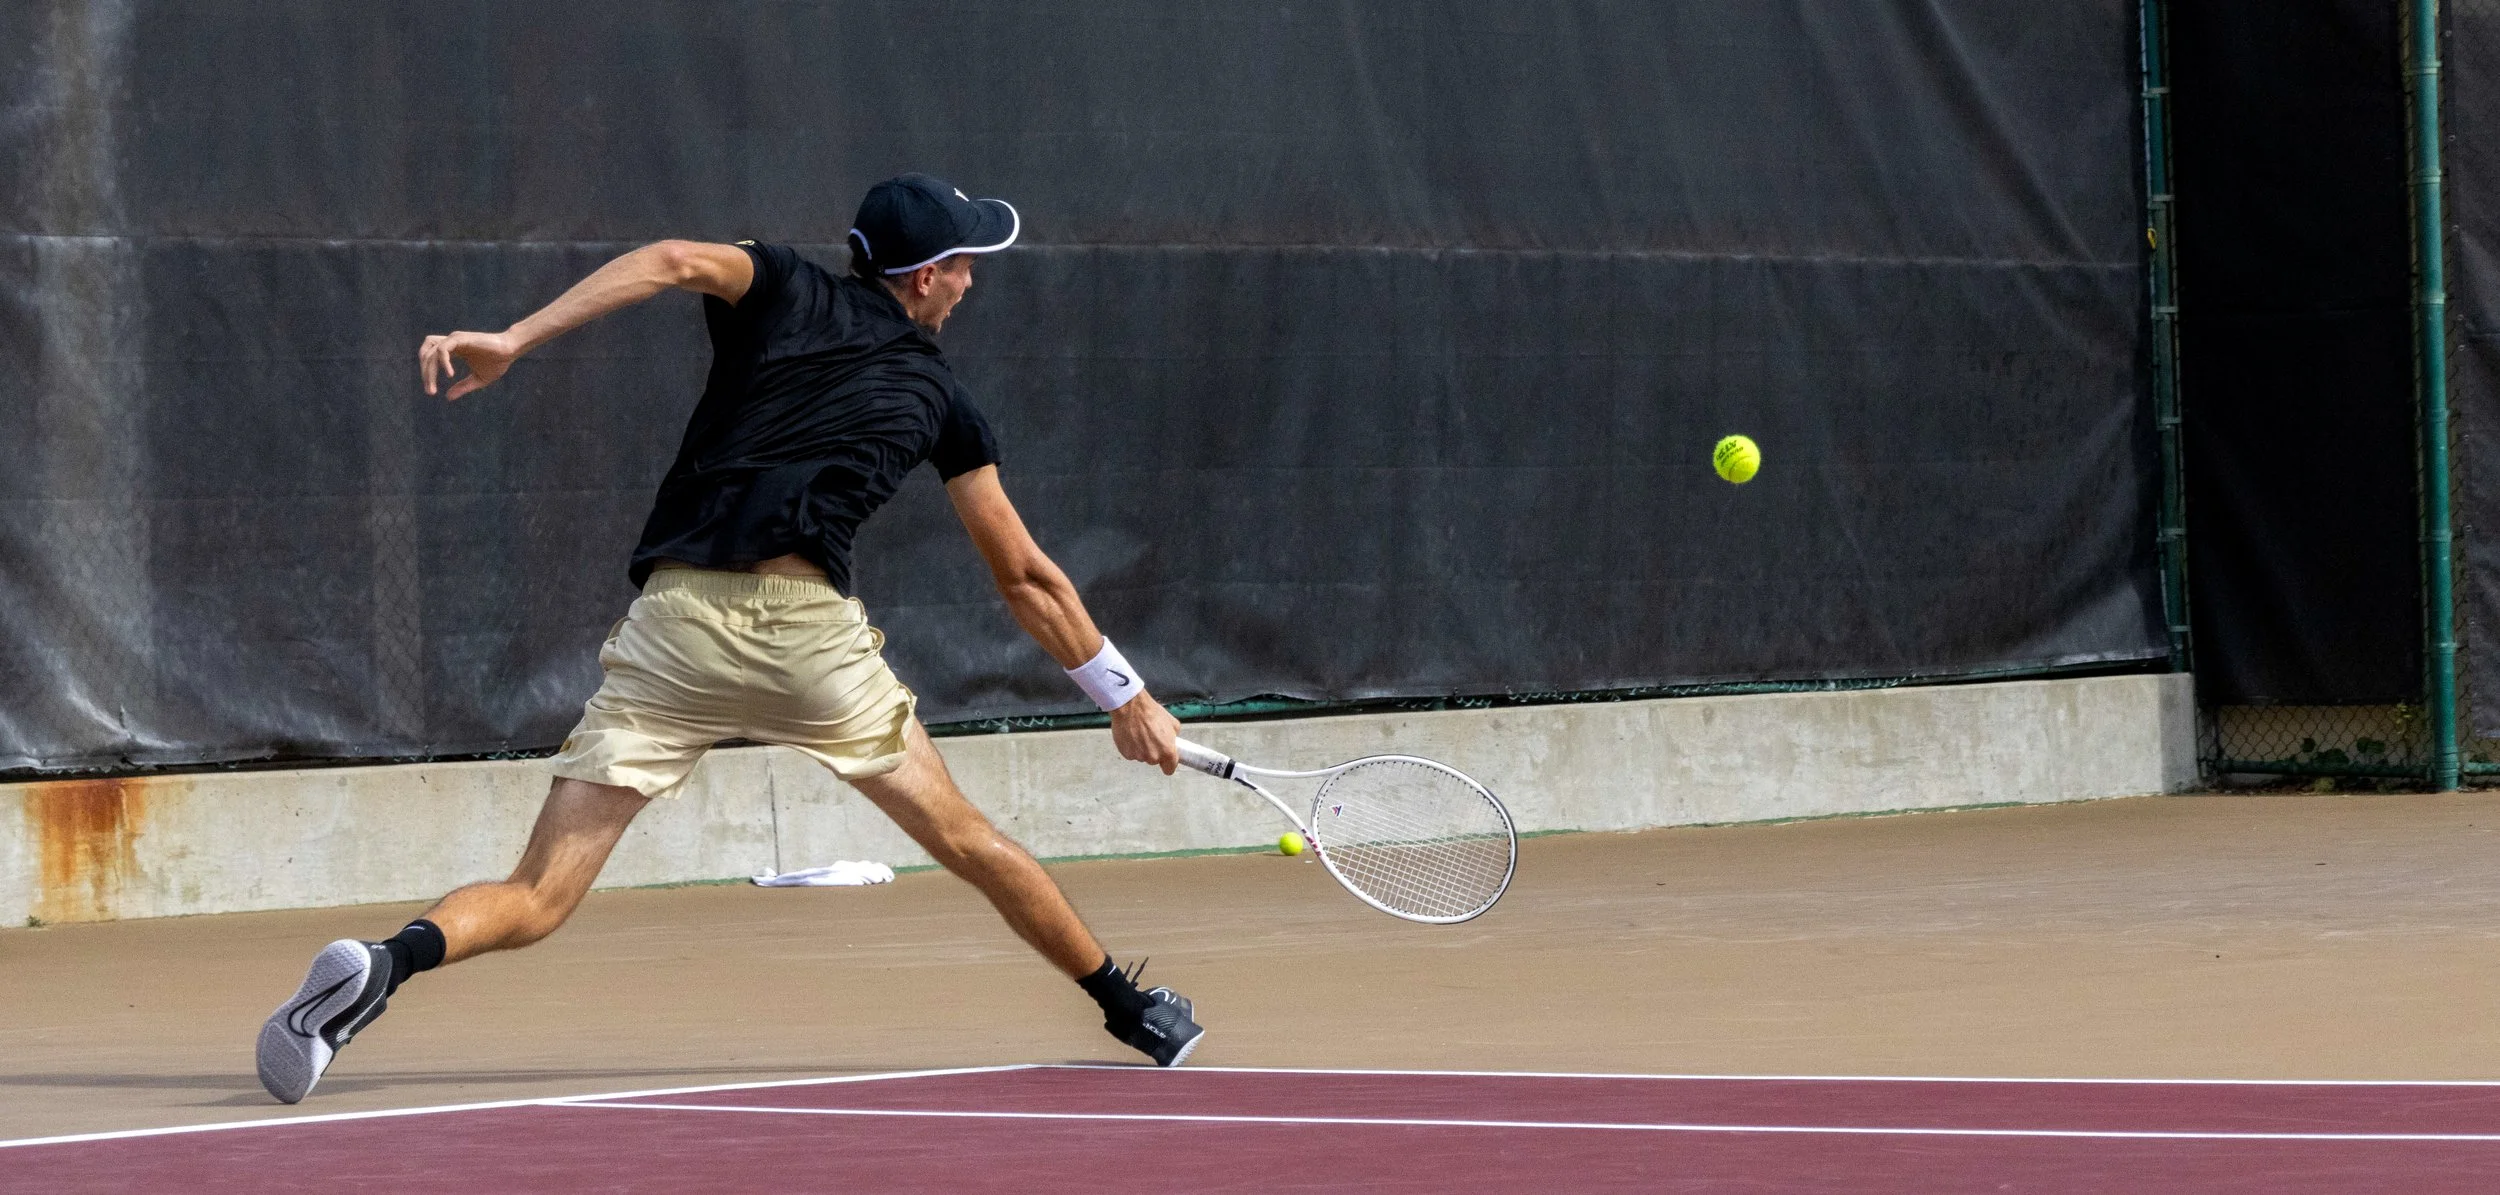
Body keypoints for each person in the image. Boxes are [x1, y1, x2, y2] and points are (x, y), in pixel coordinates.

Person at [255, 174, 1204, 1105]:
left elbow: (672, 260)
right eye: (964, 264)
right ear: (922, 276)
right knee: (968, 838)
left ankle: (385, 963)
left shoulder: (782, 284)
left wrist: (513, 338)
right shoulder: (942, 397)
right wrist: (1126, 698)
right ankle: (1134, 1011)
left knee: (537, 894)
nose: (970, 282)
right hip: (809, 645)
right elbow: (1026, 576)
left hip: (675, 627)